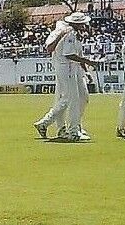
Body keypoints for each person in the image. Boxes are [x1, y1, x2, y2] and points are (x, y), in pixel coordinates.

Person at [34, 12, 97, 141]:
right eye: (83, 23)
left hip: (70, 68)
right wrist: (88, 62)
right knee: (70, 99)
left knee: (81, 97)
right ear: (76, 23)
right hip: (67, 67)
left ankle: (71, 127)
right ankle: (66, 129)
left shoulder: (67, 32)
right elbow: (69, 54)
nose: (85, 25)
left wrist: (85, 70)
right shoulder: (69, 33)